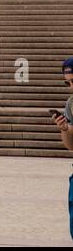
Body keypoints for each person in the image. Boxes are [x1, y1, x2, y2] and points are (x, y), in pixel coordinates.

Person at [57, 57, 73, 240]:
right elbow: (71, 146)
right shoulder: (71, 104)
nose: (71, 87)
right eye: (67, 83)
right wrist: (65, 128)